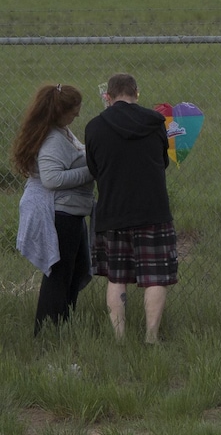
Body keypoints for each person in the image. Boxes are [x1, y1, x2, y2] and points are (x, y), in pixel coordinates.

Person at [85, 73, 177, 344]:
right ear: (136, 93)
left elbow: (94, 168)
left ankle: (120, 338)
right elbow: (163, 161)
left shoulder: (94, 127)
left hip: (112, 211)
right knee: (156, 276)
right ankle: (151, 336)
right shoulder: (155, 122)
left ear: (108, 97)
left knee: (117, 277)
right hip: (153, 210)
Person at [12, 84, 95, 335]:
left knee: (76, 270)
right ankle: (47, 331)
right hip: (59, 214)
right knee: (59, 274)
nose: (77, 115)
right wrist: (92, 170)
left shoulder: (63, 131)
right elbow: (51, 179)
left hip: (72, 212)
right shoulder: (52, 140)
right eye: (73, 111)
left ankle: (63, 324)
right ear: (59, 111)